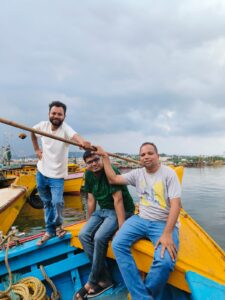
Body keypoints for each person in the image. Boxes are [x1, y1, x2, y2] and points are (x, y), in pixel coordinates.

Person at [97, 142, 181, 300]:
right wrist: (105, 158)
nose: (146, 156)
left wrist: (168, 233)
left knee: (165, 263)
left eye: (150, 153)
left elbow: (176, 205)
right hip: (141, 219)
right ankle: (142, 296)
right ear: (139, 158)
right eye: (143, 155)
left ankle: (142, 295)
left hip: (163, 222)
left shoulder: (169, 174)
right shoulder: (137, 174)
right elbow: (114, 179)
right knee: (117, 244)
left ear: (157, 155)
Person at [75, 150, 135, 300]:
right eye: (90, 162)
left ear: (101, 159)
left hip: (120, 210)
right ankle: (105, 279)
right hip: (103, 211)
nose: (94, 164)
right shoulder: (88, 174)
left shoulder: (110, 171)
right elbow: (90, 200)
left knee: (99, 237)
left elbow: (118, 201)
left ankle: (92, 281)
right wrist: (89, 222)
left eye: (96, 160)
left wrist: (122, 229)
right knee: (83, 234)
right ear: (86, 164)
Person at [31, 101, 91, 246]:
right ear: (49, 114)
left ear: (64, 116)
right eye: (54, 113)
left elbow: (75, 136)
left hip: (57, 176)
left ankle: (58, 226)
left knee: (57, 202)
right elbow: (31, 132)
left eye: (59, 114)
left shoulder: (65, 129)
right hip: (41, 172)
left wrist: (83, 142)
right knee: (47, 203)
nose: (56, 116)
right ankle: (49, 231)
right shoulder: (42, 126)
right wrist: (36, 149)